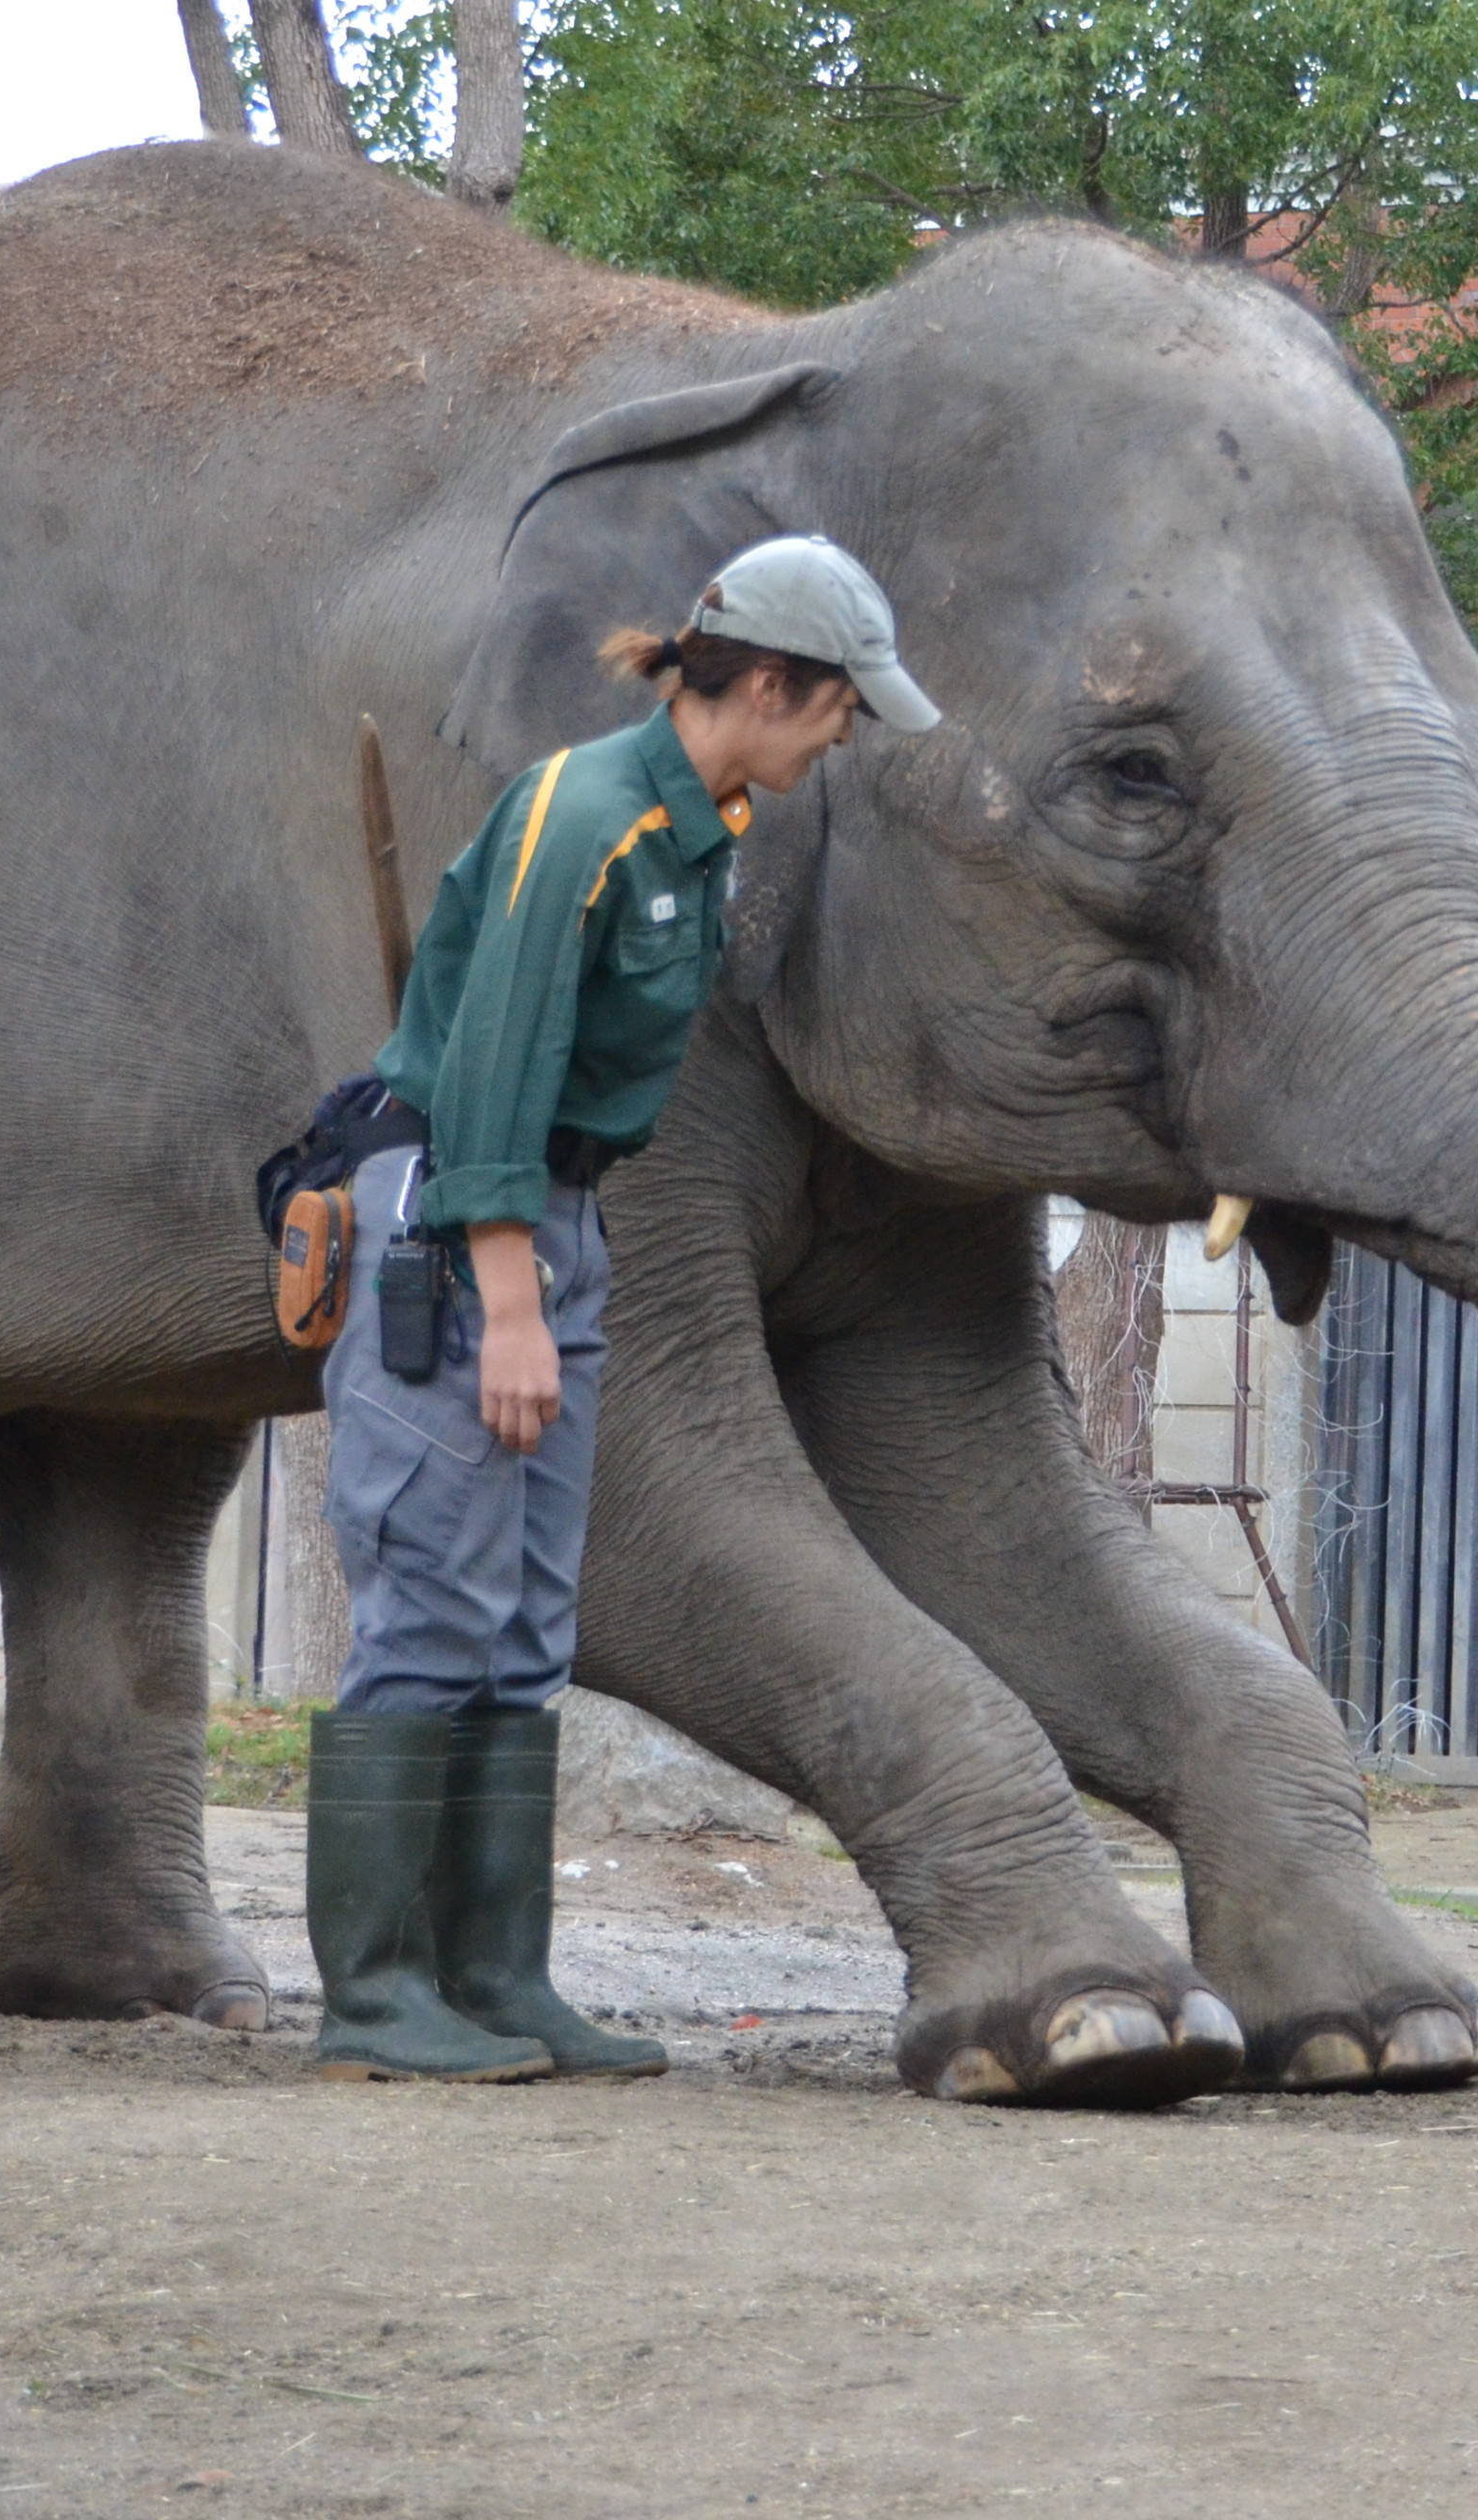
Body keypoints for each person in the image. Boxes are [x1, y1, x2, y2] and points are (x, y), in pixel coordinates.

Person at [305, 534, 938, 2084]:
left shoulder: (696, 824)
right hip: (461, 1226)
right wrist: (509, 1301)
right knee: (433, 1604)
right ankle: (377, 1994)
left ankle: (497, 1975)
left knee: (525, 1617)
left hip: (559, 1221)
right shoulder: (583, 816)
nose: (845, 736)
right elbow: (494, 1069)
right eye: (838, 706)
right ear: (771, 683)